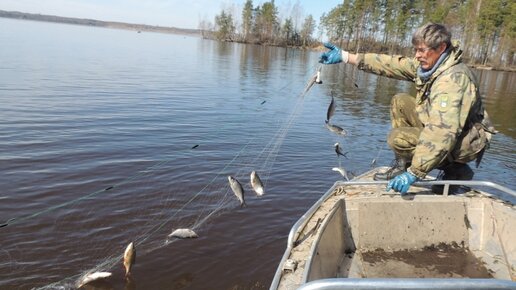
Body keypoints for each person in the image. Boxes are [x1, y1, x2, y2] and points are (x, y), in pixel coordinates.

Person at [319, 22, 495, 195]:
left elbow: (442, 133)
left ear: (441, 48)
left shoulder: (452, 81)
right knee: (400, 101)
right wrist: (346, 57)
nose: (417, 55)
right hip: (452, 130)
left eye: (421, 50)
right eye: (415, 49)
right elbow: (393, 64)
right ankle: (403, 165)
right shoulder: (434, 65)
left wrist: (415, 173)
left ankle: (456, 170)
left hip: (467, 141)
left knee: (398, 138)